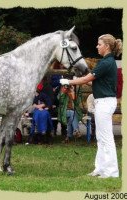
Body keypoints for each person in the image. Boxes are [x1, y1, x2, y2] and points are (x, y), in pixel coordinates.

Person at [60, 34, 122, 178]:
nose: (97, 46)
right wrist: (75, 80)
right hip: (103, 102)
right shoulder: (106, 62)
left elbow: (88, 78)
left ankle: (112, 172)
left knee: (105, 137)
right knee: (100, 137)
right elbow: (92, 82)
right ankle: (100, 169)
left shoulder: (106, 62)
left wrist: (68, 82)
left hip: (105, 103)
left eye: (99, 44)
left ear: (106, 46)